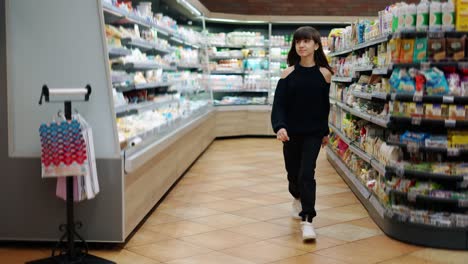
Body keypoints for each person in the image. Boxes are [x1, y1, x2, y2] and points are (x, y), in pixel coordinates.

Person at [271, 26, 332, 241]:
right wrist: (280, 126)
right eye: (298, 42)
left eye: (306, 41)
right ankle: (296, 196)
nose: (302, 45)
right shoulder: (287, 74)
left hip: (313, 134)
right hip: (292, 134)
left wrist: (325, 132)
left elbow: (324, 107)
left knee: (307, 173)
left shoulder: (325, 75)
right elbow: (279, 105)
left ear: (316, 45)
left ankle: (308, 219)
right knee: (293, 174)